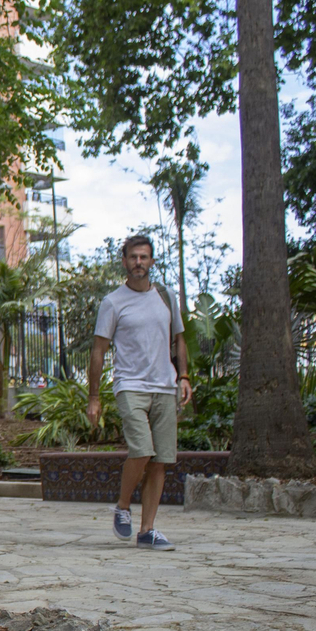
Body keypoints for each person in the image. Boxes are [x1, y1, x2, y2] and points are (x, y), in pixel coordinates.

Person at [86, 235, 192, 551]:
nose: (138, 263)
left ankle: (147, 531)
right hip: (130, 386)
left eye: (144, 257)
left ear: (152, 261)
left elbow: (179, 339)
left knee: (160, 461)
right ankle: (122, 506)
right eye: (133, 257)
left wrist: (184, 376)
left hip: (165, 387)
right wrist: (94, 397)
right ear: (124, 262)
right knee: (142, 450)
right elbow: (98, 351)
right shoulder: (113, 302)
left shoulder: (166, 297)